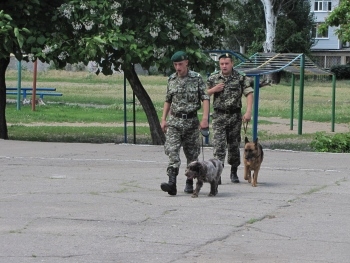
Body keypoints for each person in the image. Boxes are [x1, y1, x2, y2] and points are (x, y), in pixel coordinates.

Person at [160, 51, 210, 196]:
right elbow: (168, 100)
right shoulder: (171, 79)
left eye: (180, 64)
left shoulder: (197, 78)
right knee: (172, 151)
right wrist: (163, 119)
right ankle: (172, 183)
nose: (178, 68)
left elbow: (205, 98)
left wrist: (205, 118)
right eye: (175, 65)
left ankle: (189, 182)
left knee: (192, 154)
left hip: (191, 122)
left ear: (186, 63)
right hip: (174, 121)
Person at [206, 53, 254, 183]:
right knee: (218, 146)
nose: (224, 66)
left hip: (234, 115)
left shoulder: (240, 77)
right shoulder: (213, 78)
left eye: (227, 63)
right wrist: (213, 90)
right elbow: (204, 94)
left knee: (233, 146)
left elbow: (249, 92)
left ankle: (234, 171)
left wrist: (248, 111)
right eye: (222, 64)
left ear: (232, 63)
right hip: (219, 116)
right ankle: (218, 173)